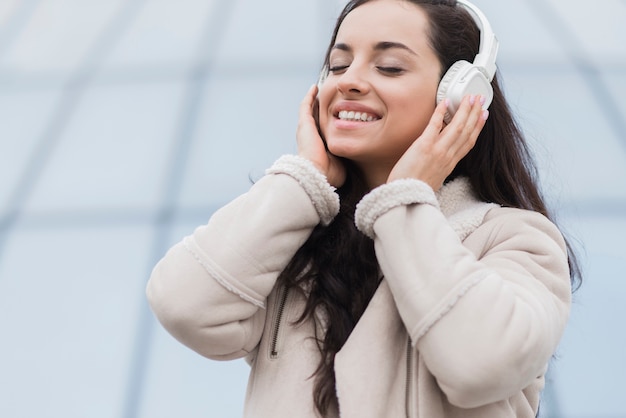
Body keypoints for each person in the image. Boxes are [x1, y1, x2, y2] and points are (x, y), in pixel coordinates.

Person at [146, 0, 581, 417]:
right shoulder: (291, 239)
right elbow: (184, 306)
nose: (348, 81)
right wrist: (305, 179)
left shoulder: (517, 239)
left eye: (389, 67)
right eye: (338, 65)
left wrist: (405, 198)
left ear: (459, 93)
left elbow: (480, 365)